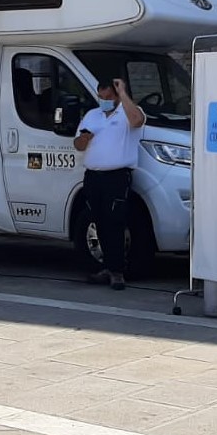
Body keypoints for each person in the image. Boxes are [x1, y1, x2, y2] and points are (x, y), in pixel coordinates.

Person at [74, 78, 147, 290]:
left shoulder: (127, 113)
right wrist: (84, 139)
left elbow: (137, 121)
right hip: (93, 177)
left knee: (115, 221)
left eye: (109, 97)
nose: (104, 101)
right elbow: (77, 144)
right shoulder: (92, 115)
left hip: (116, 176)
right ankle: (106, 266)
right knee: (99, 222)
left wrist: (123, 93)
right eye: (101, 97)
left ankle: (117, 272)